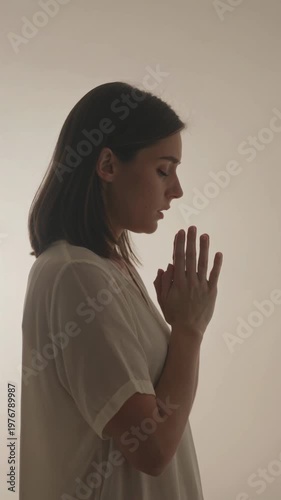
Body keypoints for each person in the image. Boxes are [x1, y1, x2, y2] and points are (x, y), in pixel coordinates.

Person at [19, 82, 223, 499]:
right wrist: (189, 331)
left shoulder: (106, 269)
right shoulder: (76, 275)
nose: (177, 190)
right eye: (163, 170)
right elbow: (150, 448)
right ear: (108, 165)